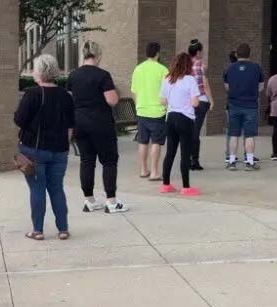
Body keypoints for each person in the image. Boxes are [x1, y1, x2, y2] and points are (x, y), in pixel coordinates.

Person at [14, 54, 75, 240]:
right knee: (56, 188)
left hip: (34, 150)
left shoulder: (32, 94)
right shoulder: (65, 95)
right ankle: (63, 229)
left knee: (37, 189)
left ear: (39, 72)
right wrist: (65, 146)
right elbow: (70, 126)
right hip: (59, 150)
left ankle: (38, 230)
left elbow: (19, 120)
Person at [67, 40, 127, 214]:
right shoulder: (103, 75)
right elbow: (112, 100)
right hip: (101, 123)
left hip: (79, 123)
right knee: (109, 161)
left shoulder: (73, 75)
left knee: (87, 160)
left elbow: (69, 99)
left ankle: (89, 200)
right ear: (98, 55)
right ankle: (111, 201)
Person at [158, 52, 201, 195]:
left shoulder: (168, 79)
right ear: (188, 65)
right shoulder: (190, 80)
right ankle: (186, 187)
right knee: (185, 153)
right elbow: (195, 103)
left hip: (170, 117)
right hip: (185, 118)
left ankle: (165, 185)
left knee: (170, 152)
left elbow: (162, 100)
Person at [224, 43, 265, 171]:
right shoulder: (256, 68)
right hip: (251, 105)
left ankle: (231, 162)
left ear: (237, 54)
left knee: (233, 134)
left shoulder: (229, 68)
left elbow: (227, 87)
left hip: (234, 105)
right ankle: (250, 162)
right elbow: (261, 87)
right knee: (249, 135)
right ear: (249, 54)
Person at [130, 42, 168, 181]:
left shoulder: (138, 69)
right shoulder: (163, 70)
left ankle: (143, 170)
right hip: (157, 112)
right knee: (156, 142)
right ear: (158, 53)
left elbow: (134, 91)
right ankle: (154, 172)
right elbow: (166, 92)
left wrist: (138, 106)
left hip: (141, 110)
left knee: (143, 142)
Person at [188, 39, 214, 171]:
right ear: (198, 52)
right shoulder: (201, 65)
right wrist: (211, 101)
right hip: (201, 100)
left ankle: (187, 159)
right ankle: (195, 161)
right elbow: (205, 84)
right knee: (195, 131)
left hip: (187, 102)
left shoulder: (184, 65)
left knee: (188, 131)